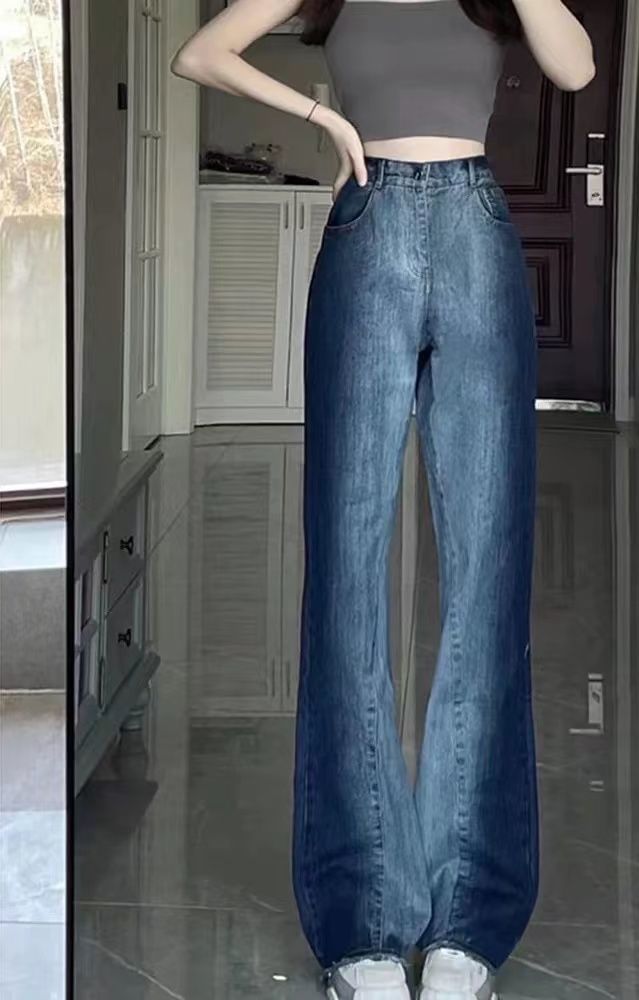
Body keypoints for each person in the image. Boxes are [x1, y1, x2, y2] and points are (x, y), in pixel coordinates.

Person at [171, 1, 595, 997]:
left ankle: (466, 924)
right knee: (347, 576)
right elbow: (202, 52)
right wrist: (324, 119)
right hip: (365, 229)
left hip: (478, 233)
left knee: (488, 576)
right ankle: (361, 925)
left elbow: (574, 66)